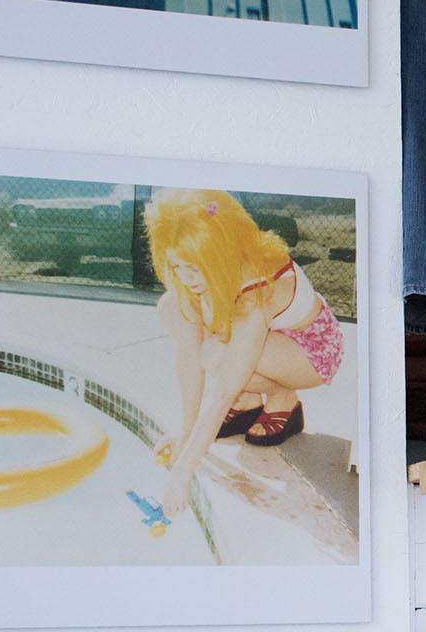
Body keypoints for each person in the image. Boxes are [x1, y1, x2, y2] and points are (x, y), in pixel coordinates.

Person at [144, 188, 344, 517]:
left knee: (218, 357)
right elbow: (187, 359)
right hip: (271, 340)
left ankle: (284, 399)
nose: (184, 277)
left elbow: (221, 390)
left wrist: (183, 473)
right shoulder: (204, 271)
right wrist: (186, 431)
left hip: (313, 350)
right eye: (177, 265)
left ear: (218, 255)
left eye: (194, 269)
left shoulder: (255, 289)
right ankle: (250, 402)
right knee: (173, 309)